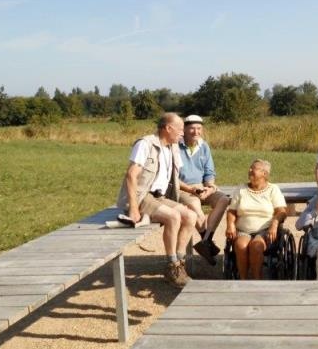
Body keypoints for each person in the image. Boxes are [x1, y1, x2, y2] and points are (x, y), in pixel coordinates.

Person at [116, 113, 197, 288]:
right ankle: (171, 266)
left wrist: (191, 189)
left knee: (191, 216)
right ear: (168, 128)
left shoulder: (173, 147)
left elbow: (174, 178)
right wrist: (133, 208)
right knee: (174, 217)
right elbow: (131, 175)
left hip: (160, 197)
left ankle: (180, 263)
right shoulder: (145, 144)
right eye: (180, 129)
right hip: (143, 196)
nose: (183, 133)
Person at [177, 114, 230, 266]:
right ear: (184, 129)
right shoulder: (175, 146)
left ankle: (205, 241)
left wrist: (209, 187)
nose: (196, 132)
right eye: (192, 128)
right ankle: (206, 244)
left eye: (199, 128)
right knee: (194, 204)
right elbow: (173, 177)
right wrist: (192, 190)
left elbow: (209, 172)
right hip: (183, 188)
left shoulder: (204, 146)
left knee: (224, 199)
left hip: (201, 186)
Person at [225, 159, 287, 279]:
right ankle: (243, 280)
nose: (250, 170)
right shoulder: (241, 189)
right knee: (240, 245)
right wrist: (230, 225)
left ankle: (256, 279)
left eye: (254, 168)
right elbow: (232, 211)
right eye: (250, 168)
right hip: (243, 229)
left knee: (256, 246)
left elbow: (282, 212)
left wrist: (274, 223)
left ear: (264, 173)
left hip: (265, 230)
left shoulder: (273, 189)